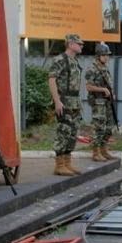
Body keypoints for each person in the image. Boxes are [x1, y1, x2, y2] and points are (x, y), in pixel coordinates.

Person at [48, 34, 84, 176]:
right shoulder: (59, 60)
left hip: (74, 102)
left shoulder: (74, 61)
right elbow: (51, 80)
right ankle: (59, 165)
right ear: (70, 44)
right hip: (64, 101)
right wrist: (57, 101)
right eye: (79, 43)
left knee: (73, 133)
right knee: (63, 131)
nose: (81, 46)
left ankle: (67, 163)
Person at [84, 43, 117, 162]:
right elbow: (88, 87)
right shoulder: (92, 69)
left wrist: (111, 92)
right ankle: (95, 152)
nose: (107, 57)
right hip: (98, 102)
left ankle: (104, 149)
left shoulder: (105, 68)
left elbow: (108, 84)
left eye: (107, 55)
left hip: (107, 102)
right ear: (98, 56)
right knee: (99, 127)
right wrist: (102, 90)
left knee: (109, 127)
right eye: (104, 55)